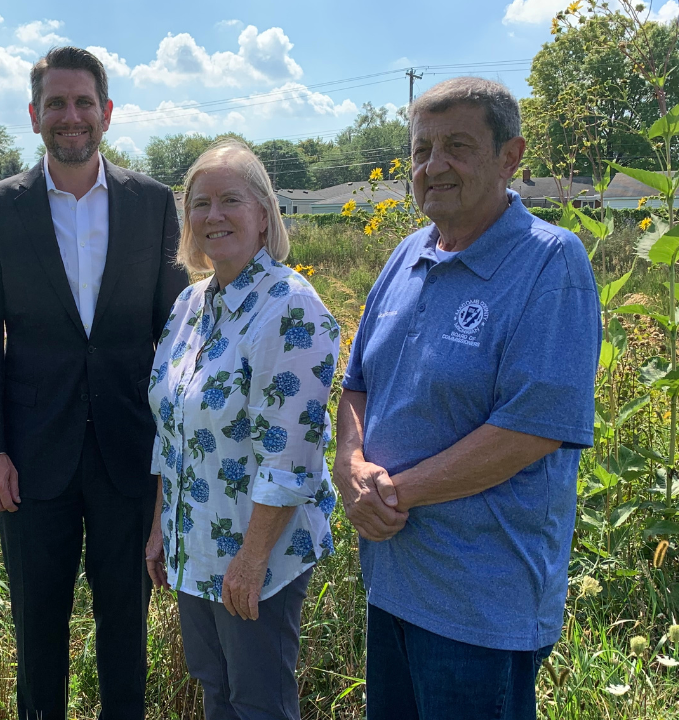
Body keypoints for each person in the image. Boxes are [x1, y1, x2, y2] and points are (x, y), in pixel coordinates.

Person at [333, 77, 600, 720]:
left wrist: (394, 493)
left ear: (510, 156)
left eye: (458, 145)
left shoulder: (549, 262)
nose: (434, 165)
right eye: (422, 149)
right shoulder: (407, 255)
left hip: (481, 602)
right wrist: (348, 464)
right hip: (394, 579)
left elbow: (530, 429)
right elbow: (358, 382)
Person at [0, 47, 189, 720]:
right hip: (31, 458)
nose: (71, 116)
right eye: (56, 103)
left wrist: (172, 455)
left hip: (129, 452)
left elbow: (172, 335)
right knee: (38, 625)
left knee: (127, 623)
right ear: (34, 117)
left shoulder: (152, 204)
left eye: (84, 102)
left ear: (107, 112)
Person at [145, 139, 340, 720]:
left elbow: (291, 456)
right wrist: (160, 527)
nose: (214, 215)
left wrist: (250, 560)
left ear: (263, 214)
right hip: (194, 546)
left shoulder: (289, 307)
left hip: (255, 554)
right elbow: (171, 426)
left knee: (258, 703)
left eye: (231, 199)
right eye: (199, 204)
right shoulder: (190, 304)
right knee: (215, 690)